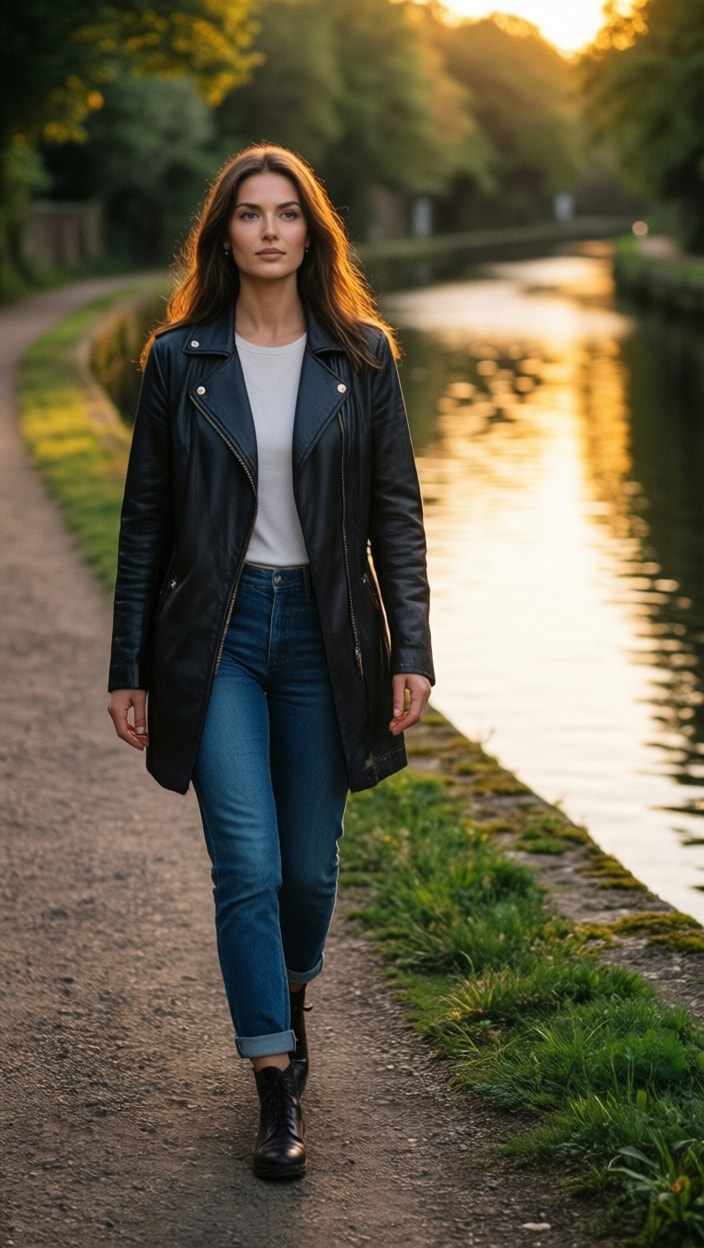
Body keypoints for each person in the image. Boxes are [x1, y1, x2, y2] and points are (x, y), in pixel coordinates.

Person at [107, 143, 434, 1181]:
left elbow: (397, 519)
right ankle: (273, 1079)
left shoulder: (364, 356)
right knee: (244, 866)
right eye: (248, 213)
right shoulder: (178, 361)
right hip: (218, 639)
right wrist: (129, 665)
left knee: (306, 869)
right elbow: (145, 522)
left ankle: (289, 991)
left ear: (310, 232)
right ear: (224, 234)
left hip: (326, 638)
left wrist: (411, 650)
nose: (267, 230)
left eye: (285, 212)